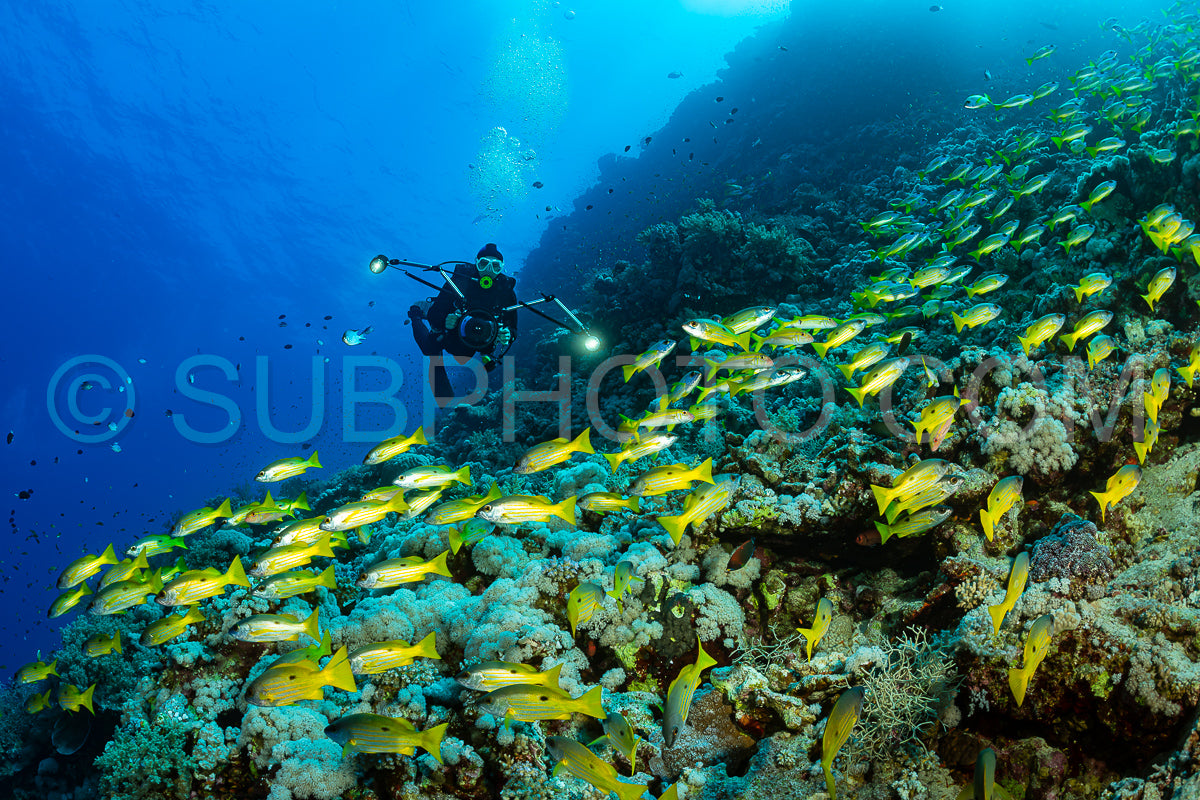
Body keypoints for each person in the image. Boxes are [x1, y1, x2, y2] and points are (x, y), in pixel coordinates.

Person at [408, 243, 519, 401]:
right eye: (483, 264)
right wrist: (445, 320)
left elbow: (513, 327)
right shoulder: (460, 281)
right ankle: (417, 314)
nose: (489, 270)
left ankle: (482, 352)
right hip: (453, 331)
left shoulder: (506, 292)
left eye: (495, 266)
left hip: (479, 337)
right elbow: (435, 314)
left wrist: (507, 334)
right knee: (429, 348)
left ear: (502, 268)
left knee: (465, 356)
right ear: (476, 262)